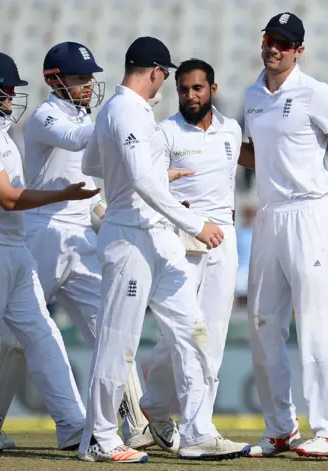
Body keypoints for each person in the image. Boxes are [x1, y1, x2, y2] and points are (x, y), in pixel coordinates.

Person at [77, 36, 249, 463]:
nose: (166, 83)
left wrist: (155, 175)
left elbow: (94, 166)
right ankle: (98, 438)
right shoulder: (124, 110)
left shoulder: (128, 113)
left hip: (155, 234)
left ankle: (197, 433)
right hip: (131, 237)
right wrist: (195, 222)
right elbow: (138, 179)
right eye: (167, 76)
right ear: (155, 72)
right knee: (119, 342)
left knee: (194, 333)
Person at [0, 42, 154, 451]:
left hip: (80, 236)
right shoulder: (44, 116)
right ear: (53, 79)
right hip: (42, 232)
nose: (88, 85)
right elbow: (75, 140)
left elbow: (92, 194)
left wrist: (109, 221)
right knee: (20, 335)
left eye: (90, 77)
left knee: (110, 328)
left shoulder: (89, 116)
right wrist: (123, 113)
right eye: (79, 78)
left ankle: (137, 423)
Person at [0, 50, 100, 454]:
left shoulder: (2, 135)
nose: (13, 95)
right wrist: (63, 194)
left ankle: (71, 426)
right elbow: (7, 199)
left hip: (13, 250)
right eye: (7, 89)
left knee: (43, 335)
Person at [240, 13, 328, 457]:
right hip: (268, 214)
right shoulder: (252, 94)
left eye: (284, 42)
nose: (274, 48)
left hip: (310, 214)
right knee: (262, 324)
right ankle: (280, 427)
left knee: (315, 323)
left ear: (299, 50)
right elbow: (261, 157)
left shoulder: (315, 92)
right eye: (269, 39)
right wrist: (212, 147)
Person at [141, 58, 242, 435]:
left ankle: (160, 408)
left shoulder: (230, 130)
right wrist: (185, 217)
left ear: (212, 90)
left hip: (223, 238)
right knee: (185, 332)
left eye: (197, 88)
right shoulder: (165, 132)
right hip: (180, 236)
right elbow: (150, 186)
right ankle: (195, 426)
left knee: (210, 333)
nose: (190, 95)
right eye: (183, 89)